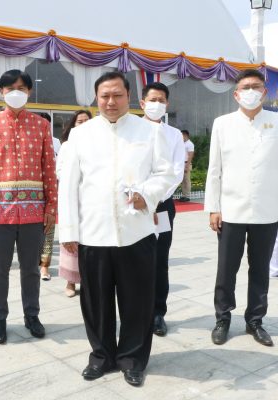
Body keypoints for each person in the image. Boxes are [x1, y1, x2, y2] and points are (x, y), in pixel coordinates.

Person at [58, 72, 175, 386]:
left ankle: (132, 359)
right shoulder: (81, 135)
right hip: (93, 232)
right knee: (95, 302)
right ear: (96, 98)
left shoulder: (149, 132)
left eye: (117, 95)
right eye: (104, 96)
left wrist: (147, 194)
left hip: (136, 232)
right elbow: (68, 185)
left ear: (129, 97)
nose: (111, 102)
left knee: (138, 301)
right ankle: (101, 356)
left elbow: (166, 173)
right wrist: (68, 231)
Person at [0, 69, 57, 344]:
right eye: (10, 88)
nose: (16, 92)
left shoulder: (41, 125)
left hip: (34, 211)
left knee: (31, 269)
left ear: (30, 91)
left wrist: (51, 207)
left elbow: (49, 168)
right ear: (1, 92)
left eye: (21, 87)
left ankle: (32, 315)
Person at [205, 68, 278, 347]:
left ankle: (255, 320)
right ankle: (222, 318)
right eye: (245, 87)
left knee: (260, 269)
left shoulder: (275, 122)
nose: (250, 92)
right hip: (231, 210)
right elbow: (214, 170)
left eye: (256, 86)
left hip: (267, 210)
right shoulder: (223, 124)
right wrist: (213, 207)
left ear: (264, 92)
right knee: (226, 269)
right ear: (236, 94)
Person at [140, 82, 185, 336]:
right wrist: (140, 196)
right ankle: (136, 312)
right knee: (133, 258)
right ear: (142, 103)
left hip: (161, 206)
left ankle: (158, 313)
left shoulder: (174, 135)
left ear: (167, 104)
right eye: (152, 100)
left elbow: (176, 172)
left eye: (161, 100)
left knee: (159, 259)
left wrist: (154, 198)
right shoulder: (130, 129)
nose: (156, 104)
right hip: (134, 204)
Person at [57, 110, 92, 297]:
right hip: (73, 199)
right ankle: (70, 281)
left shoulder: (97, 143)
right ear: (73, 125)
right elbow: (60, 171)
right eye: (80, 121)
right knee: (72, 239)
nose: (84, 124)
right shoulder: (67, 145)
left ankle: (87, 280)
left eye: (87, 121)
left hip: (92, 202)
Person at [37, 112, 59, 280]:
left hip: (51, 190)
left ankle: (45, 266)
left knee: (49, 231)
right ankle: (33, 264)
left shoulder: (56, 142)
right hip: (33, 193)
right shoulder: (30, 139)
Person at [179, 129, 194, 202]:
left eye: (181, 135)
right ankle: (183, 195)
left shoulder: (190, 144)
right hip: (182, 163)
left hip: (186, 163)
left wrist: (187, 165)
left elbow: (190, 155)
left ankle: (187, 196)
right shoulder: (183, 143)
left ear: (185, 135)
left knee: (187, 180)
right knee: (182, 180)